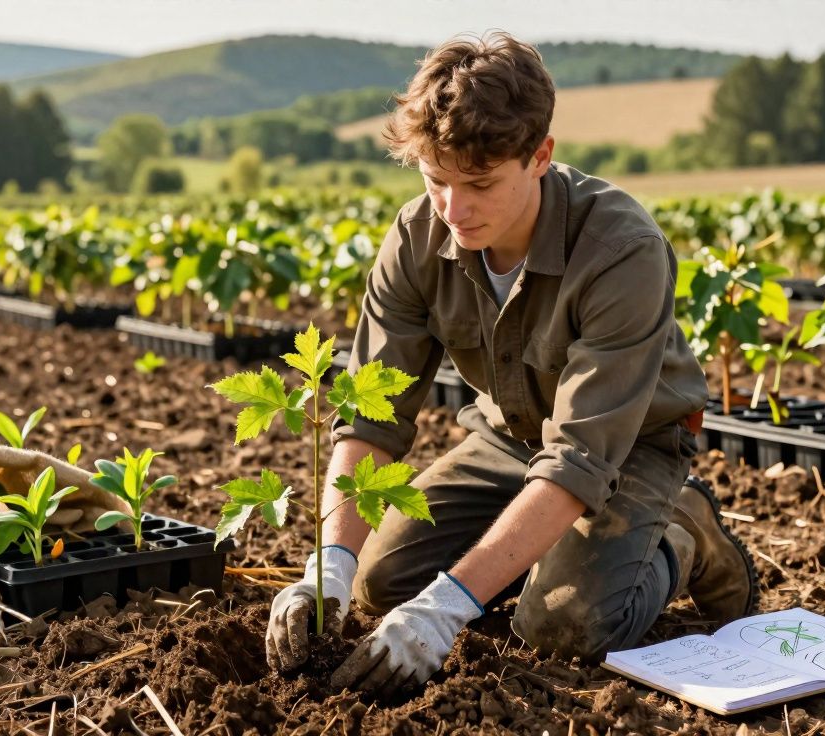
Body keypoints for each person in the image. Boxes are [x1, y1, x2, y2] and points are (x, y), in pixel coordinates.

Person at [266, 31, 759, 696]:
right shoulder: (417, 238)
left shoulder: (620, 249)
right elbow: (370, 420)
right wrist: (328, 566)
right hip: (507, 436)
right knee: (380, 584)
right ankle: (532, 559)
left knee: (564, 629)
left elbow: (581, 457)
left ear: (539, 156)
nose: (455, 210)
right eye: (436, 180)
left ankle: (682, 534)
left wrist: (447, 609)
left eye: (479, 183)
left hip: (629, 446)